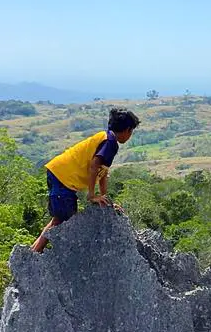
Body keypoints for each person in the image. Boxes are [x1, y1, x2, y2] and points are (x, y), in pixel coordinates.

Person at [30, 107, 141, 253]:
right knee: (64, 219)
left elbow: (103, 173)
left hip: (58, 173)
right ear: (127, 130)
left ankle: (33, 250)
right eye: (131, 131)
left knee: (59, 218)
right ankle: (35, 253)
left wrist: (106, 199)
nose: (130, 135)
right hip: (63, 177)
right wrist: (92, 195)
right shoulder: (110, 142)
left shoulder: (106, 137)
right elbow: (94, 166)